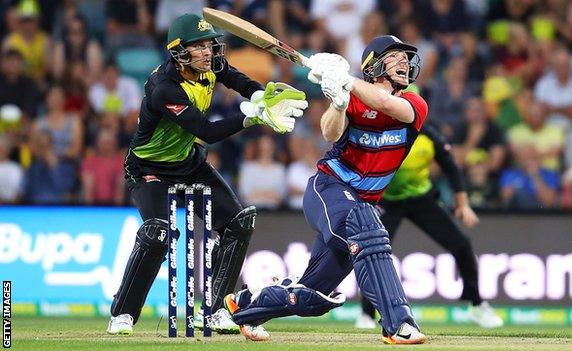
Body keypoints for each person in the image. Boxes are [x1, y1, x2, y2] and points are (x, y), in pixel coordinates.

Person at [106, 13, 308, 335]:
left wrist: (259, 96)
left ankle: (214, 310)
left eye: (208, 45)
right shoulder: (164, 88)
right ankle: (123, 313)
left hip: (189, 163)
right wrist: (253, 117)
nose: (207, 52)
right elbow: (206, 131)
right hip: (149, 168)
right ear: (179, 52)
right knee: (158, 233)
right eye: (198, 46)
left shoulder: (211, 65)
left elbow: (237, 79)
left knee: (239, 222)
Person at [224, 35, 429, 345]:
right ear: (373, 65)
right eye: (395, 56)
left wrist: (345, 80)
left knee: (314, 297)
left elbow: (386, 104)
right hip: (329, 188)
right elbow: (330, 132)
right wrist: (338, 102)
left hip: (362, 204)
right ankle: (400, 324)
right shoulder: (353, 98)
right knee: (366, 224)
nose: (404, 61)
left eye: (406, 57)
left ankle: (247, 304)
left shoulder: (414, 103)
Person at [355, 123, 504, 329]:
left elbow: (450, 167)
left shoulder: (430, 136)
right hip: (386, 200)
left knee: (461, 245)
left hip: (420, 199)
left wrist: (463, 204)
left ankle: (477, 304)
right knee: (373, 252)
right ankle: (366, 314)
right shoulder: (379, 131)